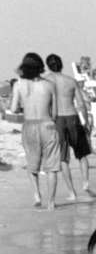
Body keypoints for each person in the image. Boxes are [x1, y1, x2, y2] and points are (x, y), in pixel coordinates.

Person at [10, 52, 61, 209]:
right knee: (52, 167)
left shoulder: (19, 85)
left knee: (32, 164)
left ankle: (37, 194)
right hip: (48, 124)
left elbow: (13, 109)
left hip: (29, 125)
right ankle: (51, 202)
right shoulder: (49, 85)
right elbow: (55, 113)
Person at [44, 53, 96, 199]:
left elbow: (45, 103)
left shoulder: (46, 82)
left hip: (57, 119)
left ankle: (71, 192)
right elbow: (81, 104)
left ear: (48, 66)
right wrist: (85, 123)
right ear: (61, 64)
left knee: (63, 158)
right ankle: (85, 183)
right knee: (82, 154)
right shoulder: (70, 81)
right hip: (72, 117)